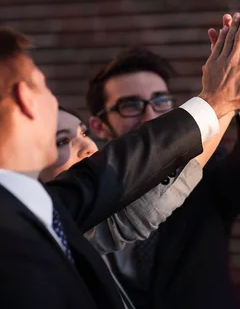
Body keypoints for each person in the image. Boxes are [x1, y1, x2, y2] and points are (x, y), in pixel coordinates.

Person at [0, 10, 240, 309]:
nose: (54, 102)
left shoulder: (18, 207)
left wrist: (219, 103)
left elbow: (120, 173)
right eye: (44, 85)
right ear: (25, 99)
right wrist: (215, 101)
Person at [84, 16, 240, 309]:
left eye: (161, 101)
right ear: (99, 126)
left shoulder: (206, 164)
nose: (150, 116)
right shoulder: (89, 187)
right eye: (130, 105)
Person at [40, 106, 211, 252]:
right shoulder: (50, 233)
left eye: (84, 133)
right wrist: (217, 102)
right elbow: (138, 214)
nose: (88, 147)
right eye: (62, 141)